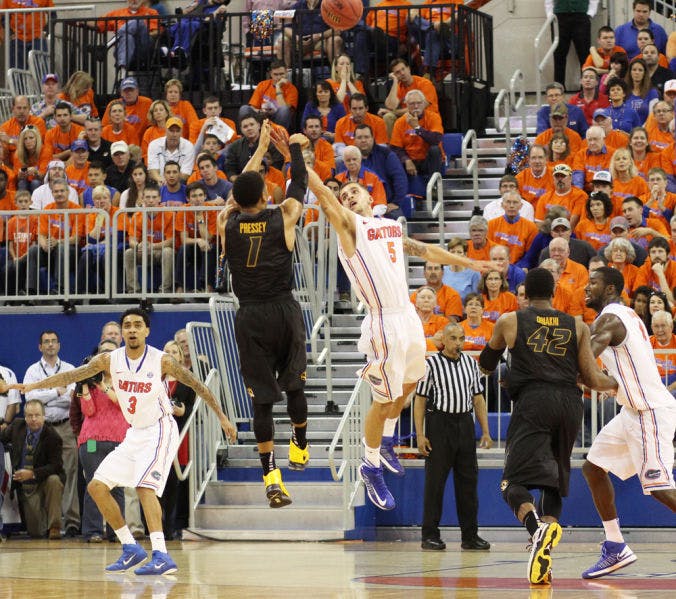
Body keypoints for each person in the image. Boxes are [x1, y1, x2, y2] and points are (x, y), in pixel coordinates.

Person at [304, 142, 492, 511]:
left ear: (369, 194)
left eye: (354, 190)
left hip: (406, 316)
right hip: (383, 320)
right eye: (345, 194)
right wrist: (298, 160)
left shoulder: (388, 226)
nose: (349, 196)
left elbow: (425, 251)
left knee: (410, 383)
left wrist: (466, 263)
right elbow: (324, 196)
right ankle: (369, 464)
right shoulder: (349, 227)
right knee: (384, 399)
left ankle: (387, 440)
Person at [11, 308, 237, 574]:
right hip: (135, 433)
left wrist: (222, 417)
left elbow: (199, 385)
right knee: (96, 486)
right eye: (127, 325)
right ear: (123, 331)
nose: (131, 329)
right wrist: (31, 387)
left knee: (143, 488)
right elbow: (72, 376)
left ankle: (162, 554)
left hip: (160, 429)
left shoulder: (161, 361)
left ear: (146, 331)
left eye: (137, 325)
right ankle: (130, 547)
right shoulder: (109, 360)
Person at [479, 268, 617, 584]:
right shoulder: (578, 325)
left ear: (524, 293)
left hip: (534, 403)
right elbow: (592, 378)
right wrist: (621, 385)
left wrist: (505, 373)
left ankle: (536, 529)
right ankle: (545, 553)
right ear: (554, 293)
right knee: (552, 482)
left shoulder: (510, 320)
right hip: (570, 404)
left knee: (510, 483)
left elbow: (486, 365)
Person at [217, 122, 310, 507]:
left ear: (237, 200)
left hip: (250, 315)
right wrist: (296, 149)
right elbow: (300, 185)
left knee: (261, 403)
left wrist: (258, 151)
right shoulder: (283, 213)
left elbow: (243, 185)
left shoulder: (227, 222)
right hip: (283, 308)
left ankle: (271, 477)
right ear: (265, 193)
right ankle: (300, 444)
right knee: (296, 386)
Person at [582, 266, 676, 579]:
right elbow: (607, 370)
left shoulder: (609, 318)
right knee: (593, 467)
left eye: (593, 283)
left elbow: (585, 360)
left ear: (609, 289)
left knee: (661, 489)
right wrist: (609, 383)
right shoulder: (623, 315)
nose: (586, 287)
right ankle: (615, 546)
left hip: (649, 412)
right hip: (631, 412)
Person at [413, 322, 492, 552]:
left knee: (468, 483)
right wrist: (420, 434)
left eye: (461, 338)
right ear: (444, 340)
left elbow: (478, 398)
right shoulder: (431, 364)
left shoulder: (470, 363)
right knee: (435, 484)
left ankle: (470, 535)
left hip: (464, 425)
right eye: (454, 338)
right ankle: (429, 535)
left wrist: (486, 431)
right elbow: (420, 400)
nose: (458, 343)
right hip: (440, 425)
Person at [69, 340, 128, 543]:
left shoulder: (125, 380)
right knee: (94, 484)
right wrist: (85, 383)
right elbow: (89, 411)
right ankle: (93, 531)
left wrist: (102, 385)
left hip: (119, 440)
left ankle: (117, 532)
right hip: (92, 441)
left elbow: (122, 404)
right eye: (103, 354)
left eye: (111, 353)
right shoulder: (91, 382)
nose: (106, 358)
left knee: (117, 487)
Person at [22, 330, 78, 536]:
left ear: (59, 345)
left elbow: (73, 398)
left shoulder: (70, 369)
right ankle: (50, 524)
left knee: (70, 473)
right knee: (44, 474)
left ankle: (71, 522)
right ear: (40, 347)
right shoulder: (32, 371)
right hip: (41, 429)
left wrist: (44, 396)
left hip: (65, 426)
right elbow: (30, 400)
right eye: (46, 342)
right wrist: (56, 391)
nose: (50, 345)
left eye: (54, 341)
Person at [0, 399, 65, 539]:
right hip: (24, 484)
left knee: (54, 480)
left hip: (44, 479)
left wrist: (32, 474)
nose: (33, 419)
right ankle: (41, 525)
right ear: (25, 417)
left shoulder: (53, 436)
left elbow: (57, 466)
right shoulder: (17, 426)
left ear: (43, 416)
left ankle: (55, 526)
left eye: (37, 415)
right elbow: (1, 438)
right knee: (36, 533)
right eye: (30, 415)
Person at [85, 0, 160, 70]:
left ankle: (106, 46)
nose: (134, 0)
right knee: (127, 37)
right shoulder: (117, 13)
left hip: (142, 49)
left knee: (138, 21)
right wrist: (79, 22)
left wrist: (138, 33)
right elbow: (97, 24)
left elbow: (156, 32)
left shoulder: (151, 12)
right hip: (124, 49)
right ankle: (122, 76)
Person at [546, 0, 596, 89]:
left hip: (581, 16)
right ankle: (559, 88)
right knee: (559, 55)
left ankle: (586, 88)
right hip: (560, 17)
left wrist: (591, 12)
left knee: (585, 55)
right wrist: (550, 15)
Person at [239, 60, 298, 132]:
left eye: (281, 74)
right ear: (271, 74)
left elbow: (284, 109)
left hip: (278, 119)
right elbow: (253, 107)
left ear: (286, 72)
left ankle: (278, 136)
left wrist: (278, 87)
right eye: (275, 74)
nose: (279, 77)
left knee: (284, 110)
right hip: (261, 118)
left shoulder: (292, 89)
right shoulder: (262, 85)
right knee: (244, 108)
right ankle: (248, 137)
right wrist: (261, 111)